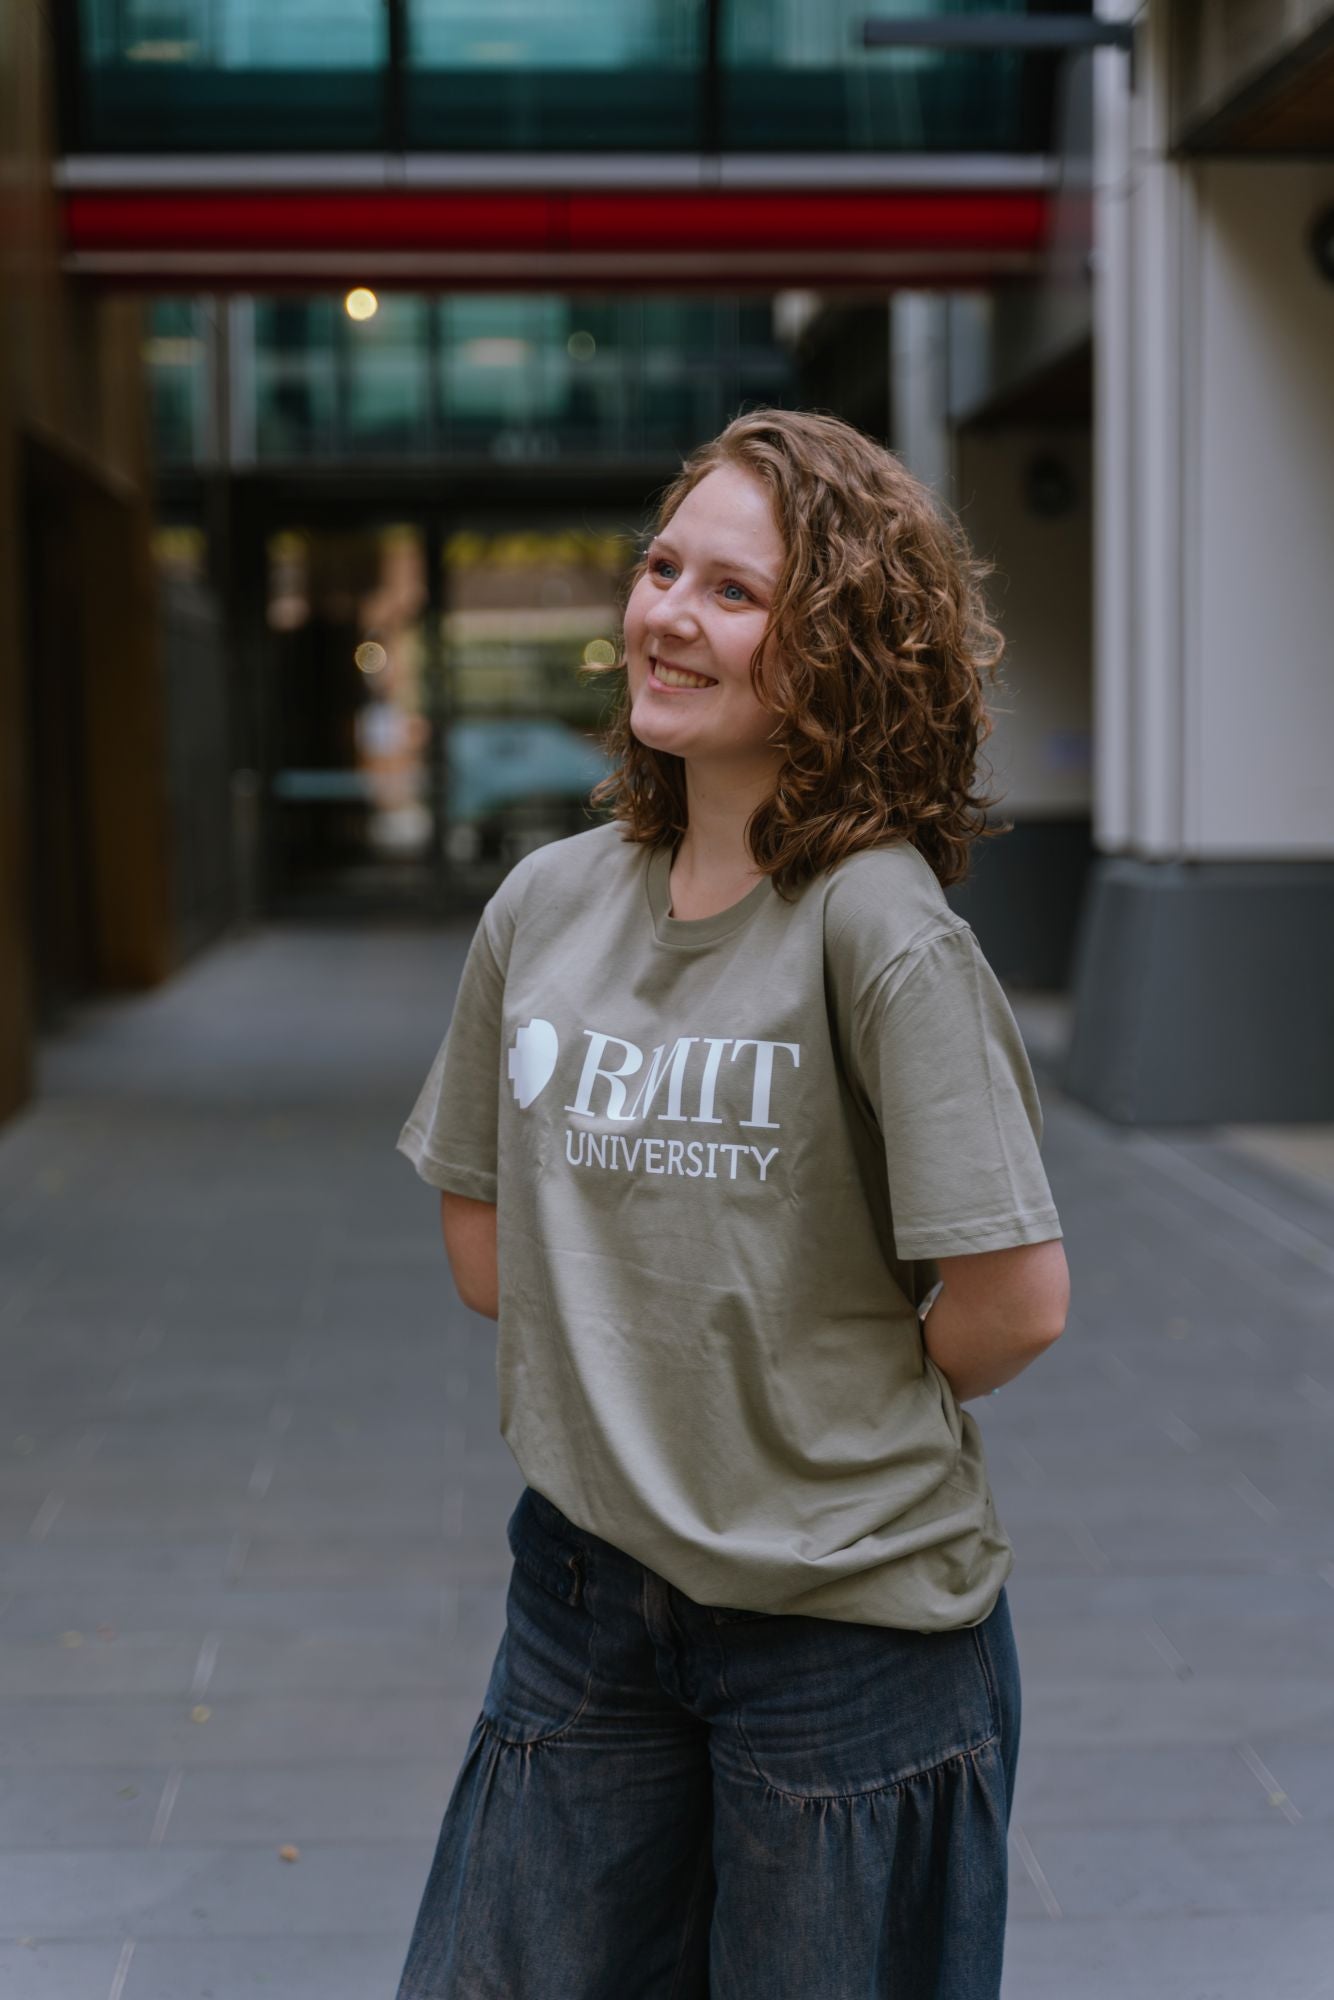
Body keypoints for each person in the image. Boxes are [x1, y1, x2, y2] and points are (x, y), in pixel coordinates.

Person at [393, 407, 1070, 2000]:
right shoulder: (545, 905)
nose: (666, 617)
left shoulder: (877, 927)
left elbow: (1013, 1302)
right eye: (658, 569)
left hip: (844, 1641)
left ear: (836, 647)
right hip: (581, 1605)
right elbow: (486, 1252)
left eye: (733, 593)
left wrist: (804, 1409)